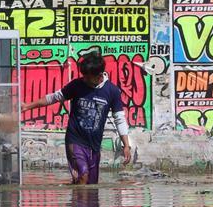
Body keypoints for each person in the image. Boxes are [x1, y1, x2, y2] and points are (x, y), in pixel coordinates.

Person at [22, 54, 132, 184]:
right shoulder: (77, 85)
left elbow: (119, 118)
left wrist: (126, 145)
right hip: (75, 140)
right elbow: (54, 97)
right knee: (83, 174)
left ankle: (75, 203)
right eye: (83, 76)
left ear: (99, 75)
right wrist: (27, 106)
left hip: (94, 145)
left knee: (91, 185)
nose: (84, 79)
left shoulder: (112, 91)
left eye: (87, 77)